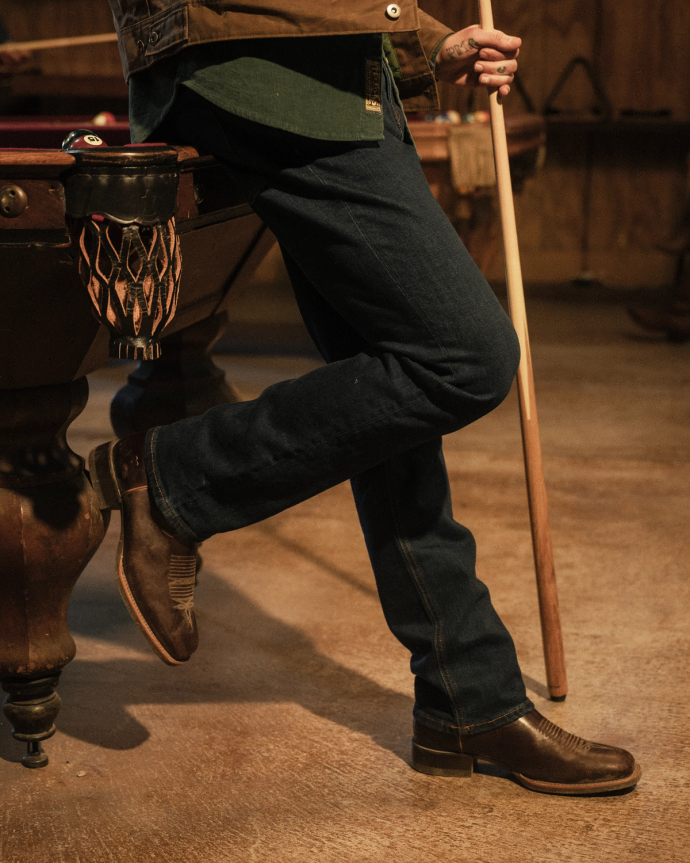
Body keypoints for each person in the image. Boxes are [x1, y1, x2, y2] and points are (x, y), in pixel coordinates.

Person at [96, 0, 640, 796]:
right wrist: (402, 26)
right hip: (267, 68)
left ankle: (468, 697)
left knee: (392, 386)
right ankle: (176, 479)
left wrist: (425, 41)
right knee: (465, 356)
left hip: (332, 71)